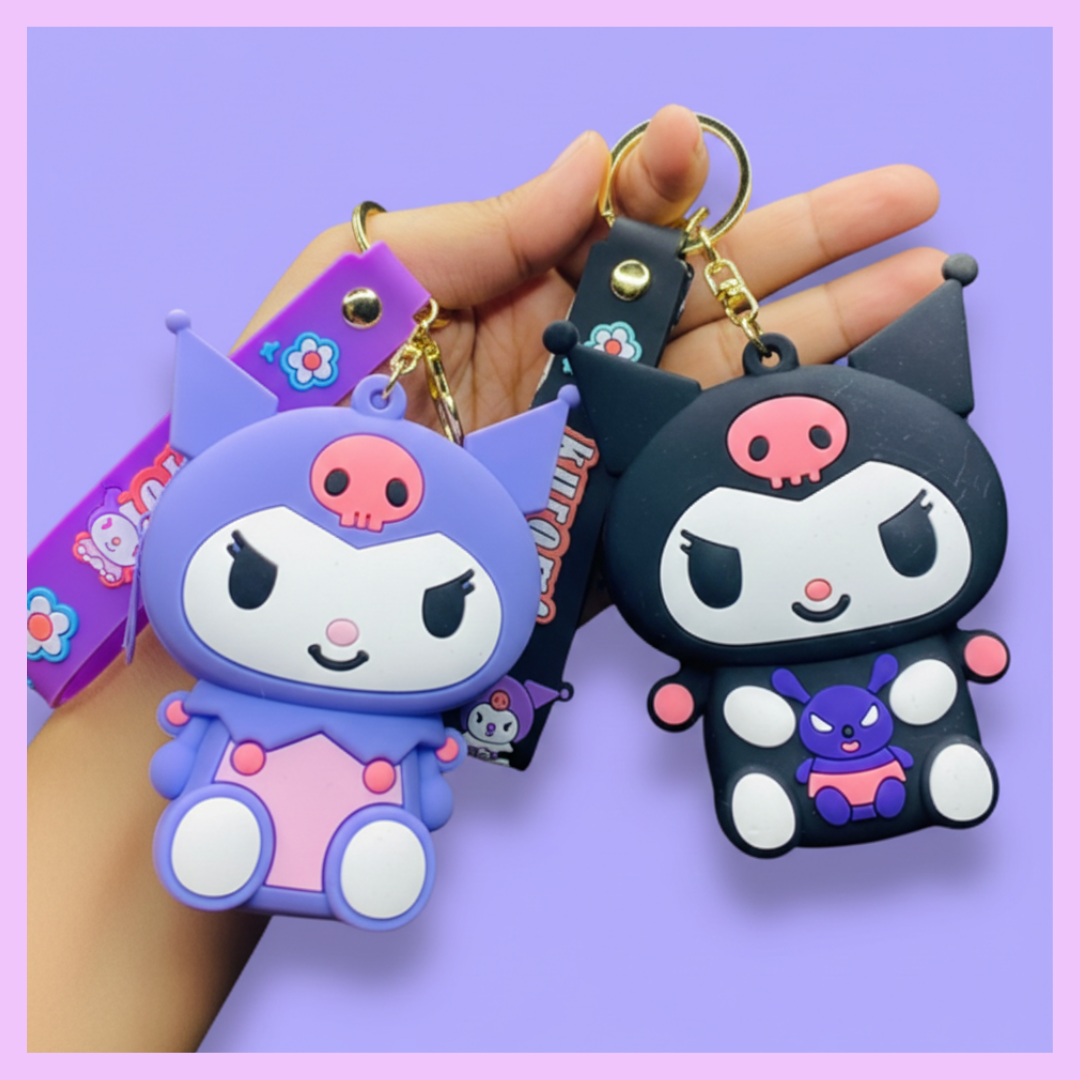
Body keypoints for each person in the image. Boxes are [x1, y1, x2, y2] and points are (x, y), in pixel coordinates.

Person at [27, 105, 944, 1052]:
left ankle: (350, 845)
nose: (342, 632)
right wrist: (365, 312)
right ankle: (277, 835)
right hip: (284, 766)